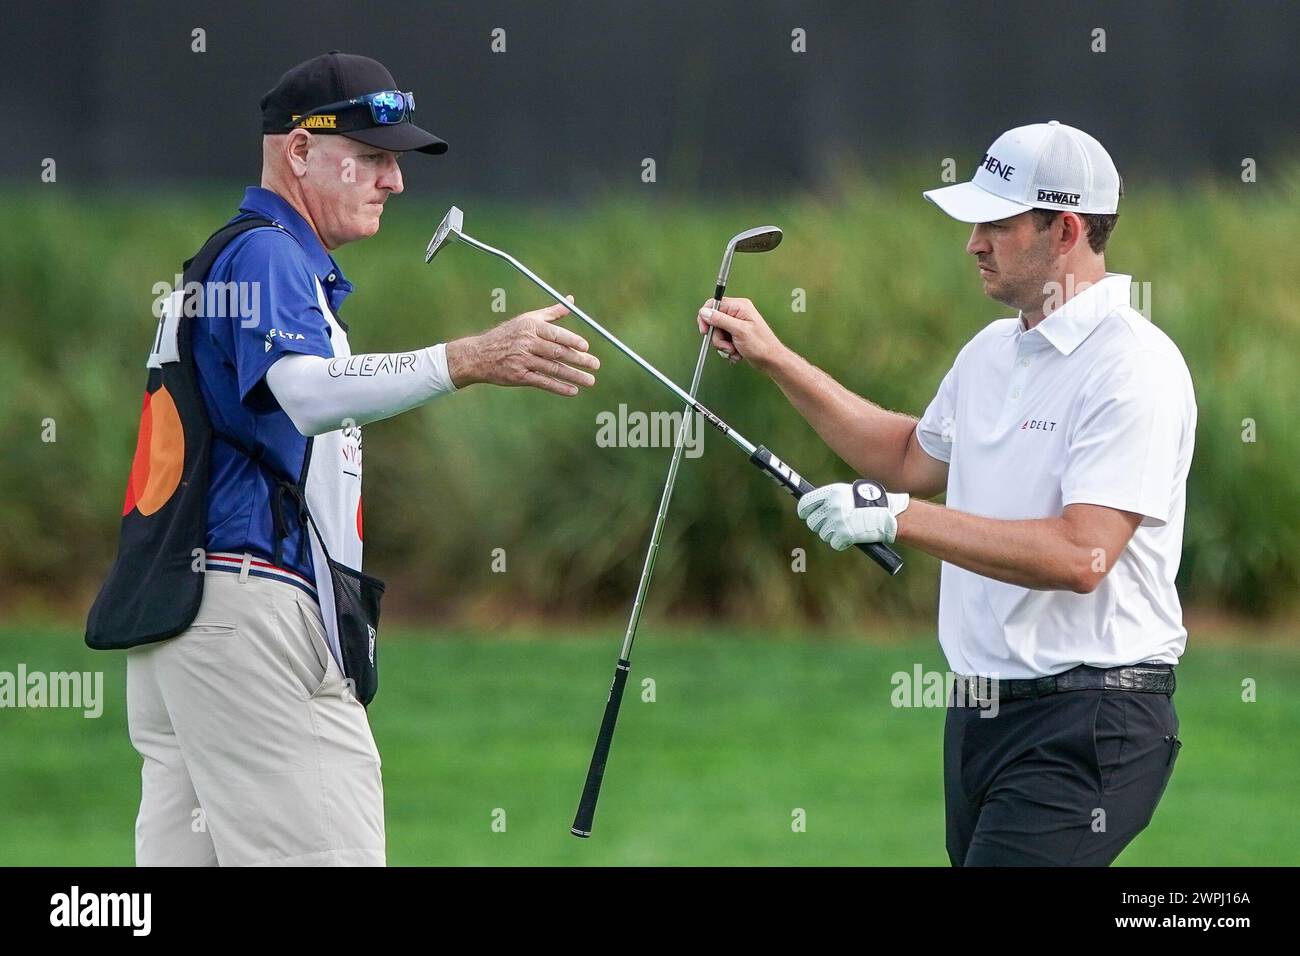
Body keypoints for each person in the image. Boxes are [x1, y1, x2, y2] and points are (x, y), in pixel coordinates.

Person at [125, 51, 599, 866]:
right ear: (300, 151)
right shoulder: (268, 252)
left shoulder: (243, 255)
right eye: (374, 157)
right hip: (250, 610)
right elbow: (305, 392)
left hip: (191, 620)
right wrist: (468, 358)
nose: (395, 181)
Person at [697, 121, 1195, 866]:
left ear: (1065, 230)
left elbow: (1081, 555)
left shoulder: (1133, 366)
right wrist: (775, 359)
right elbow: (906, 458)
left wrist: (898, 519)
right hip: (979, 715)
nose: (973, 244)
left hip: (1092, 717)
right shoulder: (992, 351)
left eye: (996, 224)